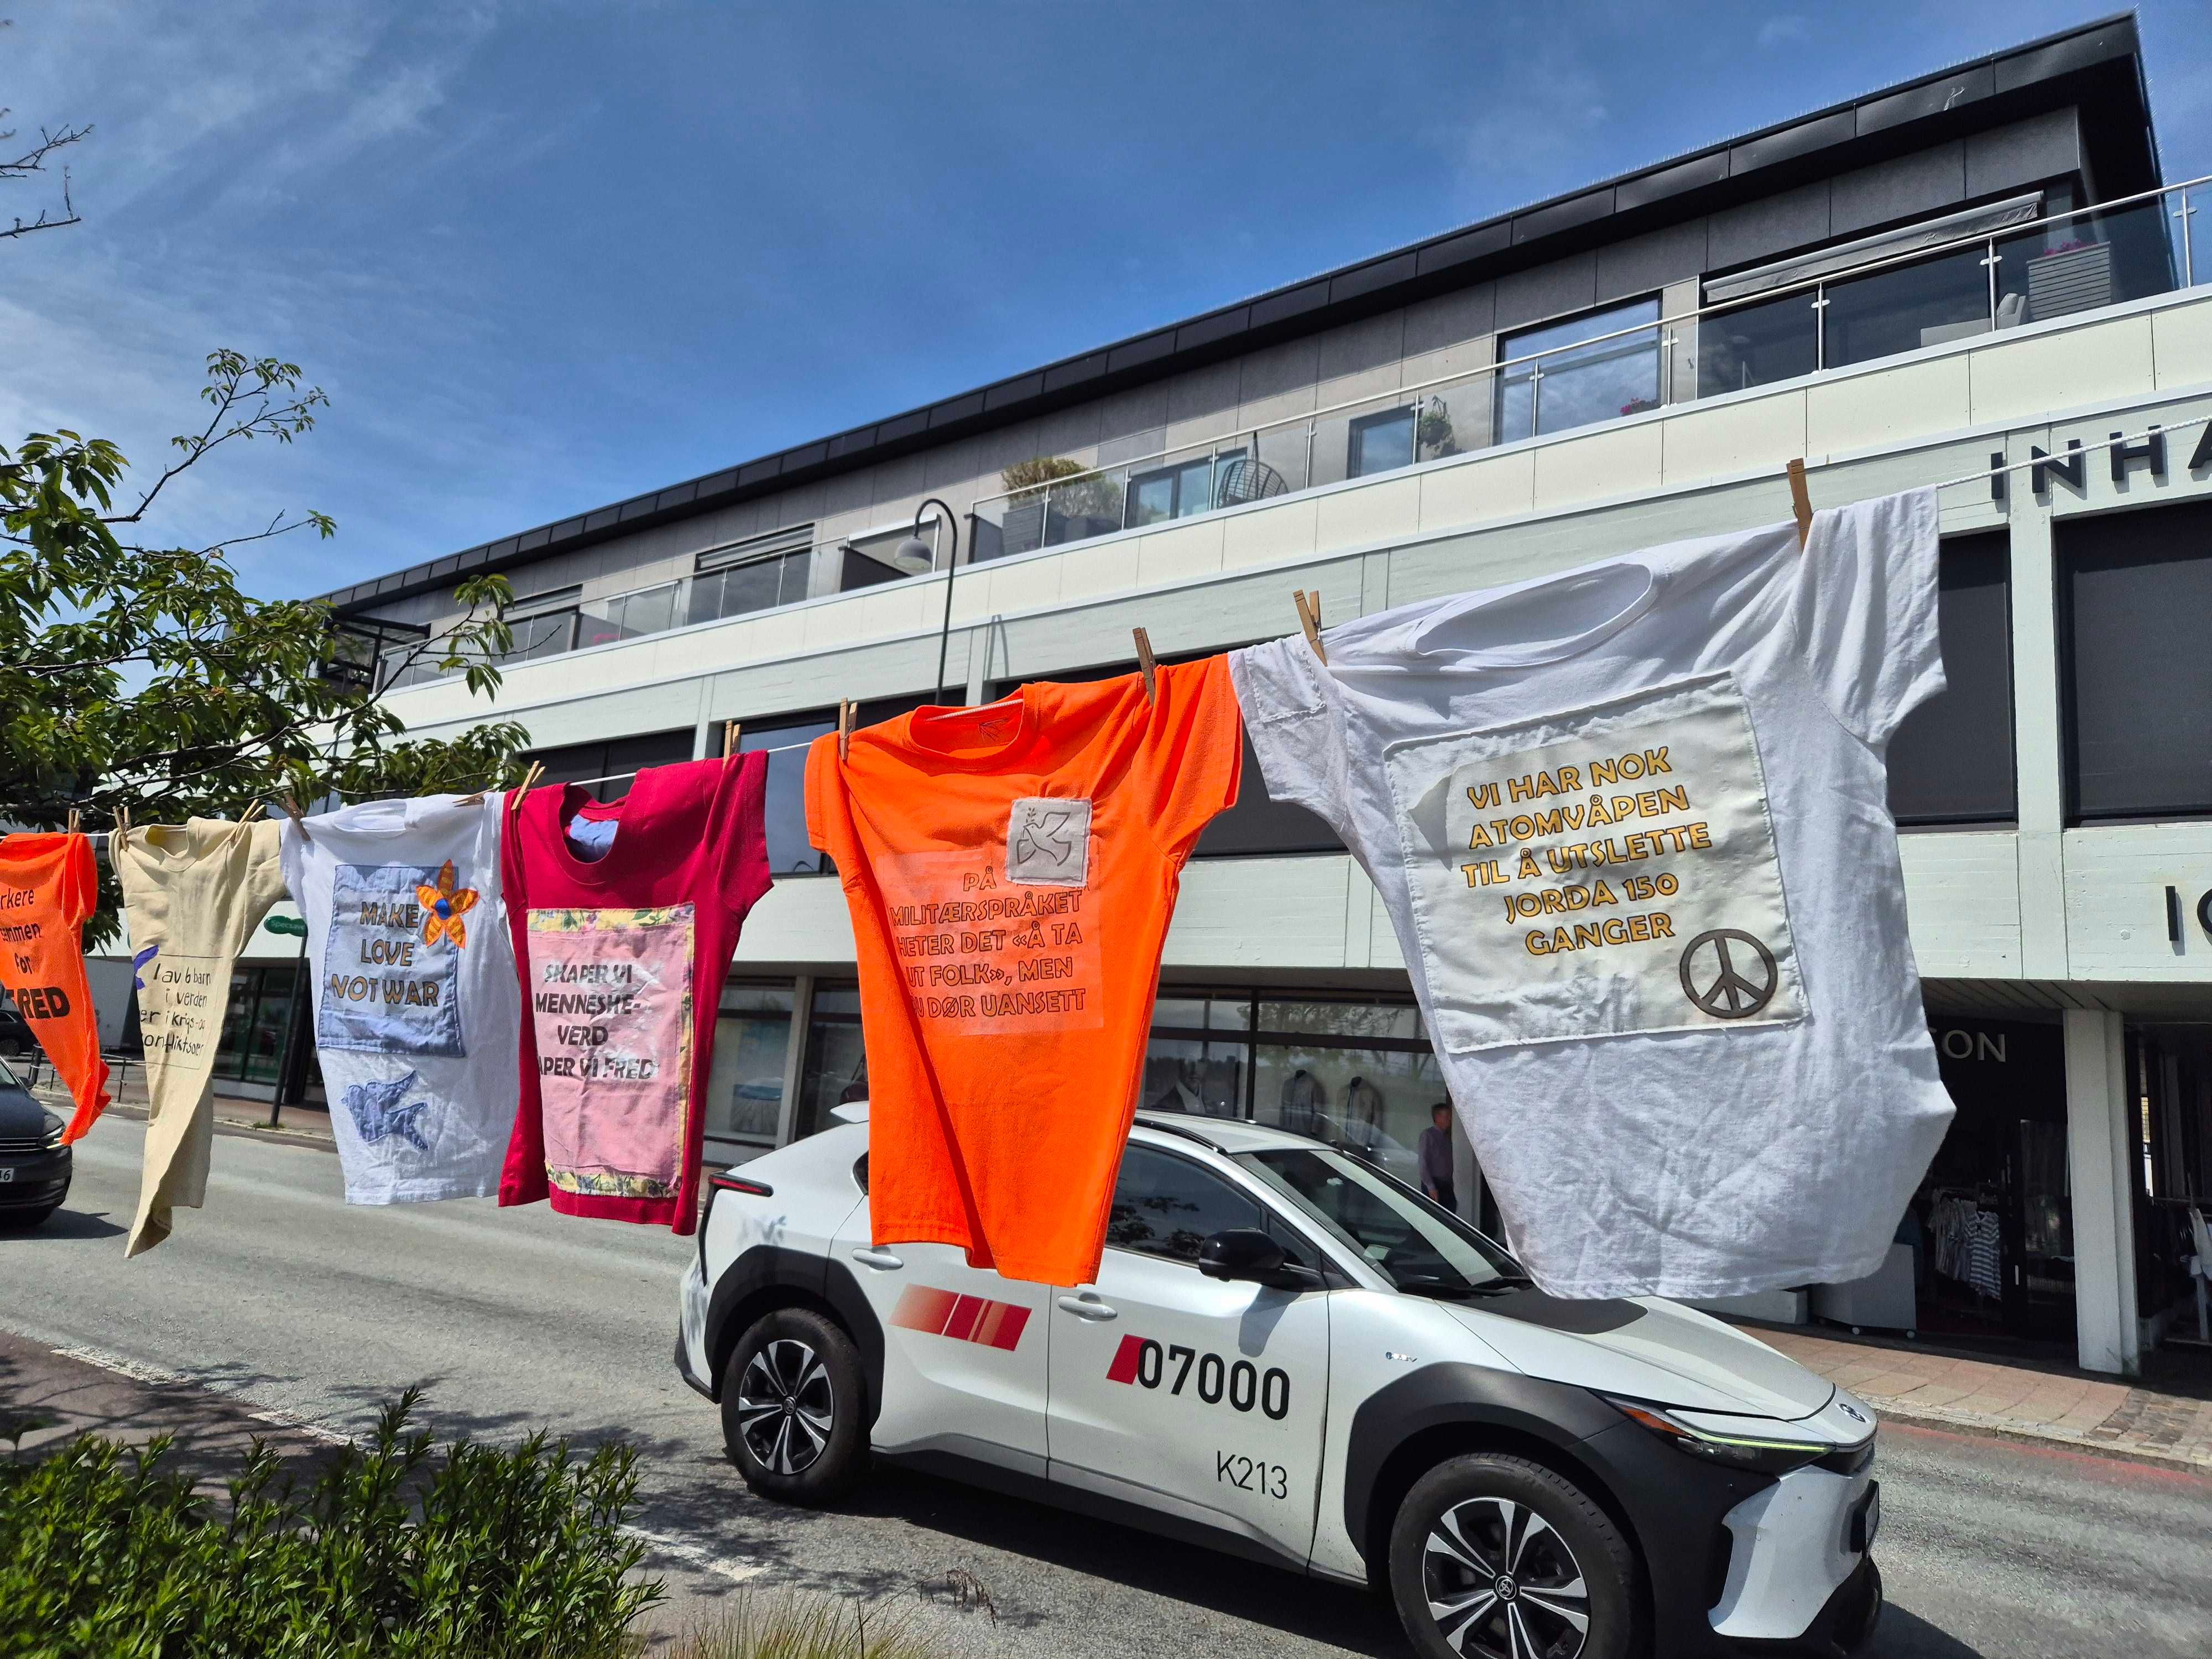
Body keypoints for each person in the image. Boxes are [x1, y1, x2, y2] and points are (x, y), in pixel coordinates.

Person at [1418, 1100, 1457, 1213]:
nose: (1450, 1119)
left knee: (1450, 1212)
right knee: (1434, 1214)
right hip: (1434, 1183)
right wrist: (1431, 1186)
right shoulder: (1428, 1135)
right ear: (1438, 1117)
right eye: (1447, 1116)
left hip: (1446, 1184)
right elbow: (1423, 1163)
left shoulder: (1446, 1138)